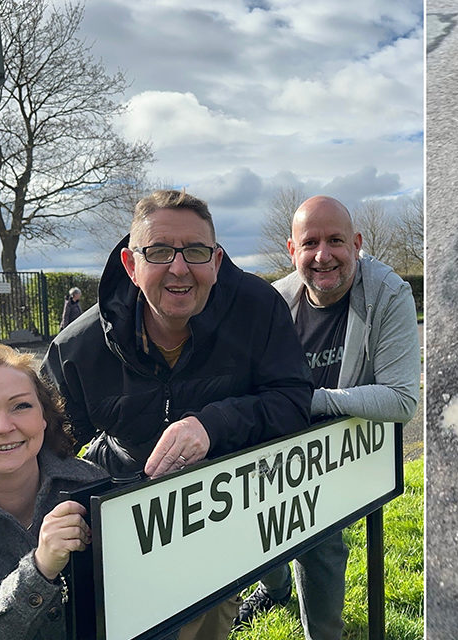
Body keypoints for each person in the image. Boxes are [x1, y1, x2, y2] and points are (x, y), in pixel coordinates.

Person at [42, 189, 313, 639]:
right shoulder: (78, 348)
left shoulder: (258, 308)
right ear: (131, 265)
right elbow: (42, 444)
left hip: (227, 515)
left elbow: (293, 399)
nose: (180, 267)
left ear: (217, 260)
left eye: (196, 251)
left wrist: (212, 425)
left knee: (212, 625)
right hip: (131, 531)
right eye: (161, 251)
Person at [236, 195, 420, 639]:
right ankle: (275, 588)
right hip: (282, 436)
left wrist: (310, 401)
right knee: (258, 520)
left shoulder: (388, 292)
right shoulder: (276, 302)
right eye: (310, 242)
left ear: (356, 243)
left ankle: (324, 634)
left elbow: (401, 400)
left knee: (318, 543)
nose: (323, 255)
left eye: (336, 240)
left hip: (334, 446)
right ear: (291, 249)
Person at [0, 344, 108, 640]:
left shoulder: (94, 485)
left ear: (44, 417)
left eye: (21, 406)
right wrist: (38, 571)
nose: (3, 426)